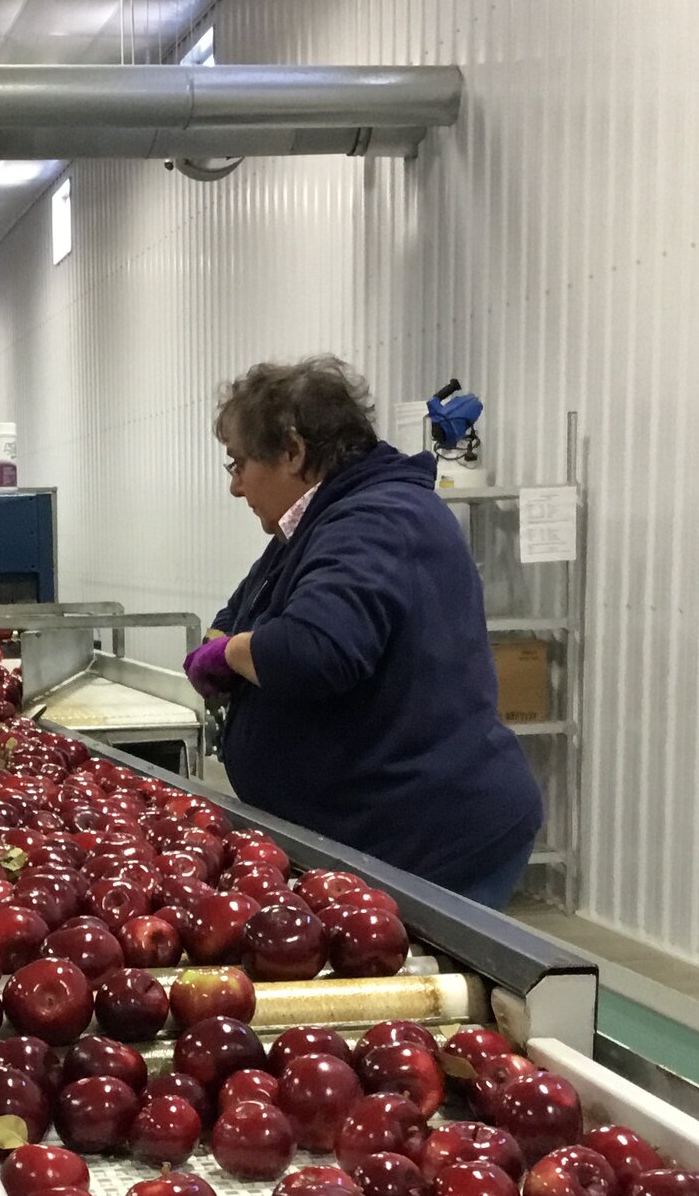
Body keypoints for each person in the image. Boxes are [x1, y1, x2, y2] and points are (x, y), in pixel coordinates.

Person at [186, 357, 544, 909]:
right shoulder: (316, 523)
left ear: (292, 451)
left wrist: (230, 655)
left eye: (238, 465)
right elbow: (243, 610)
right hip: (369, 836)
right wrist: (230, 640)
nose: (235, 487)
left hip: (430, 844)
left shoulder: (376, 519)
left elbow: (314, 650)